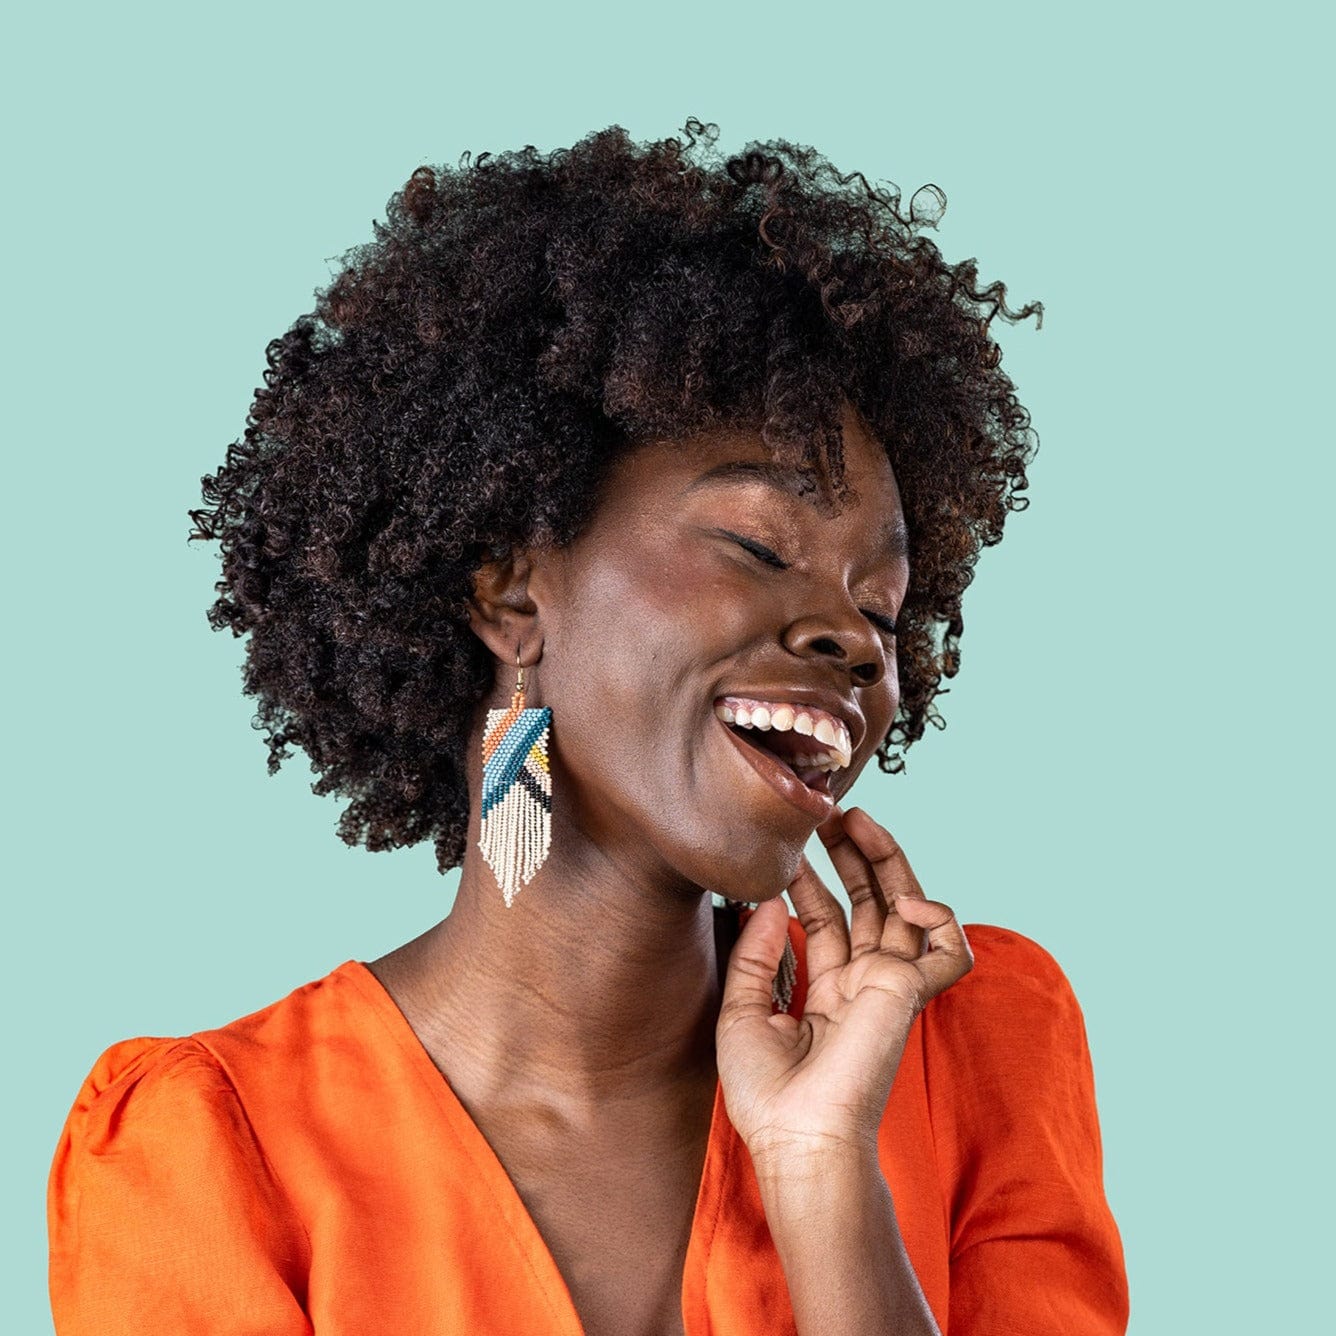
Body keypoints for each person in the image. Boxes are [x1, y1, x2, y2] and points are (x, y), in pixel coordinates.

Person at [47, 119, 1128, 1334]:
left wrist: (824, 1170)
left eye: (880, 604)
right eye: (760, 546)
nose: (855, 640)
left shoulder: (971, 1048)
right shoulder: (211, 1152)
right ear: (514, 590)